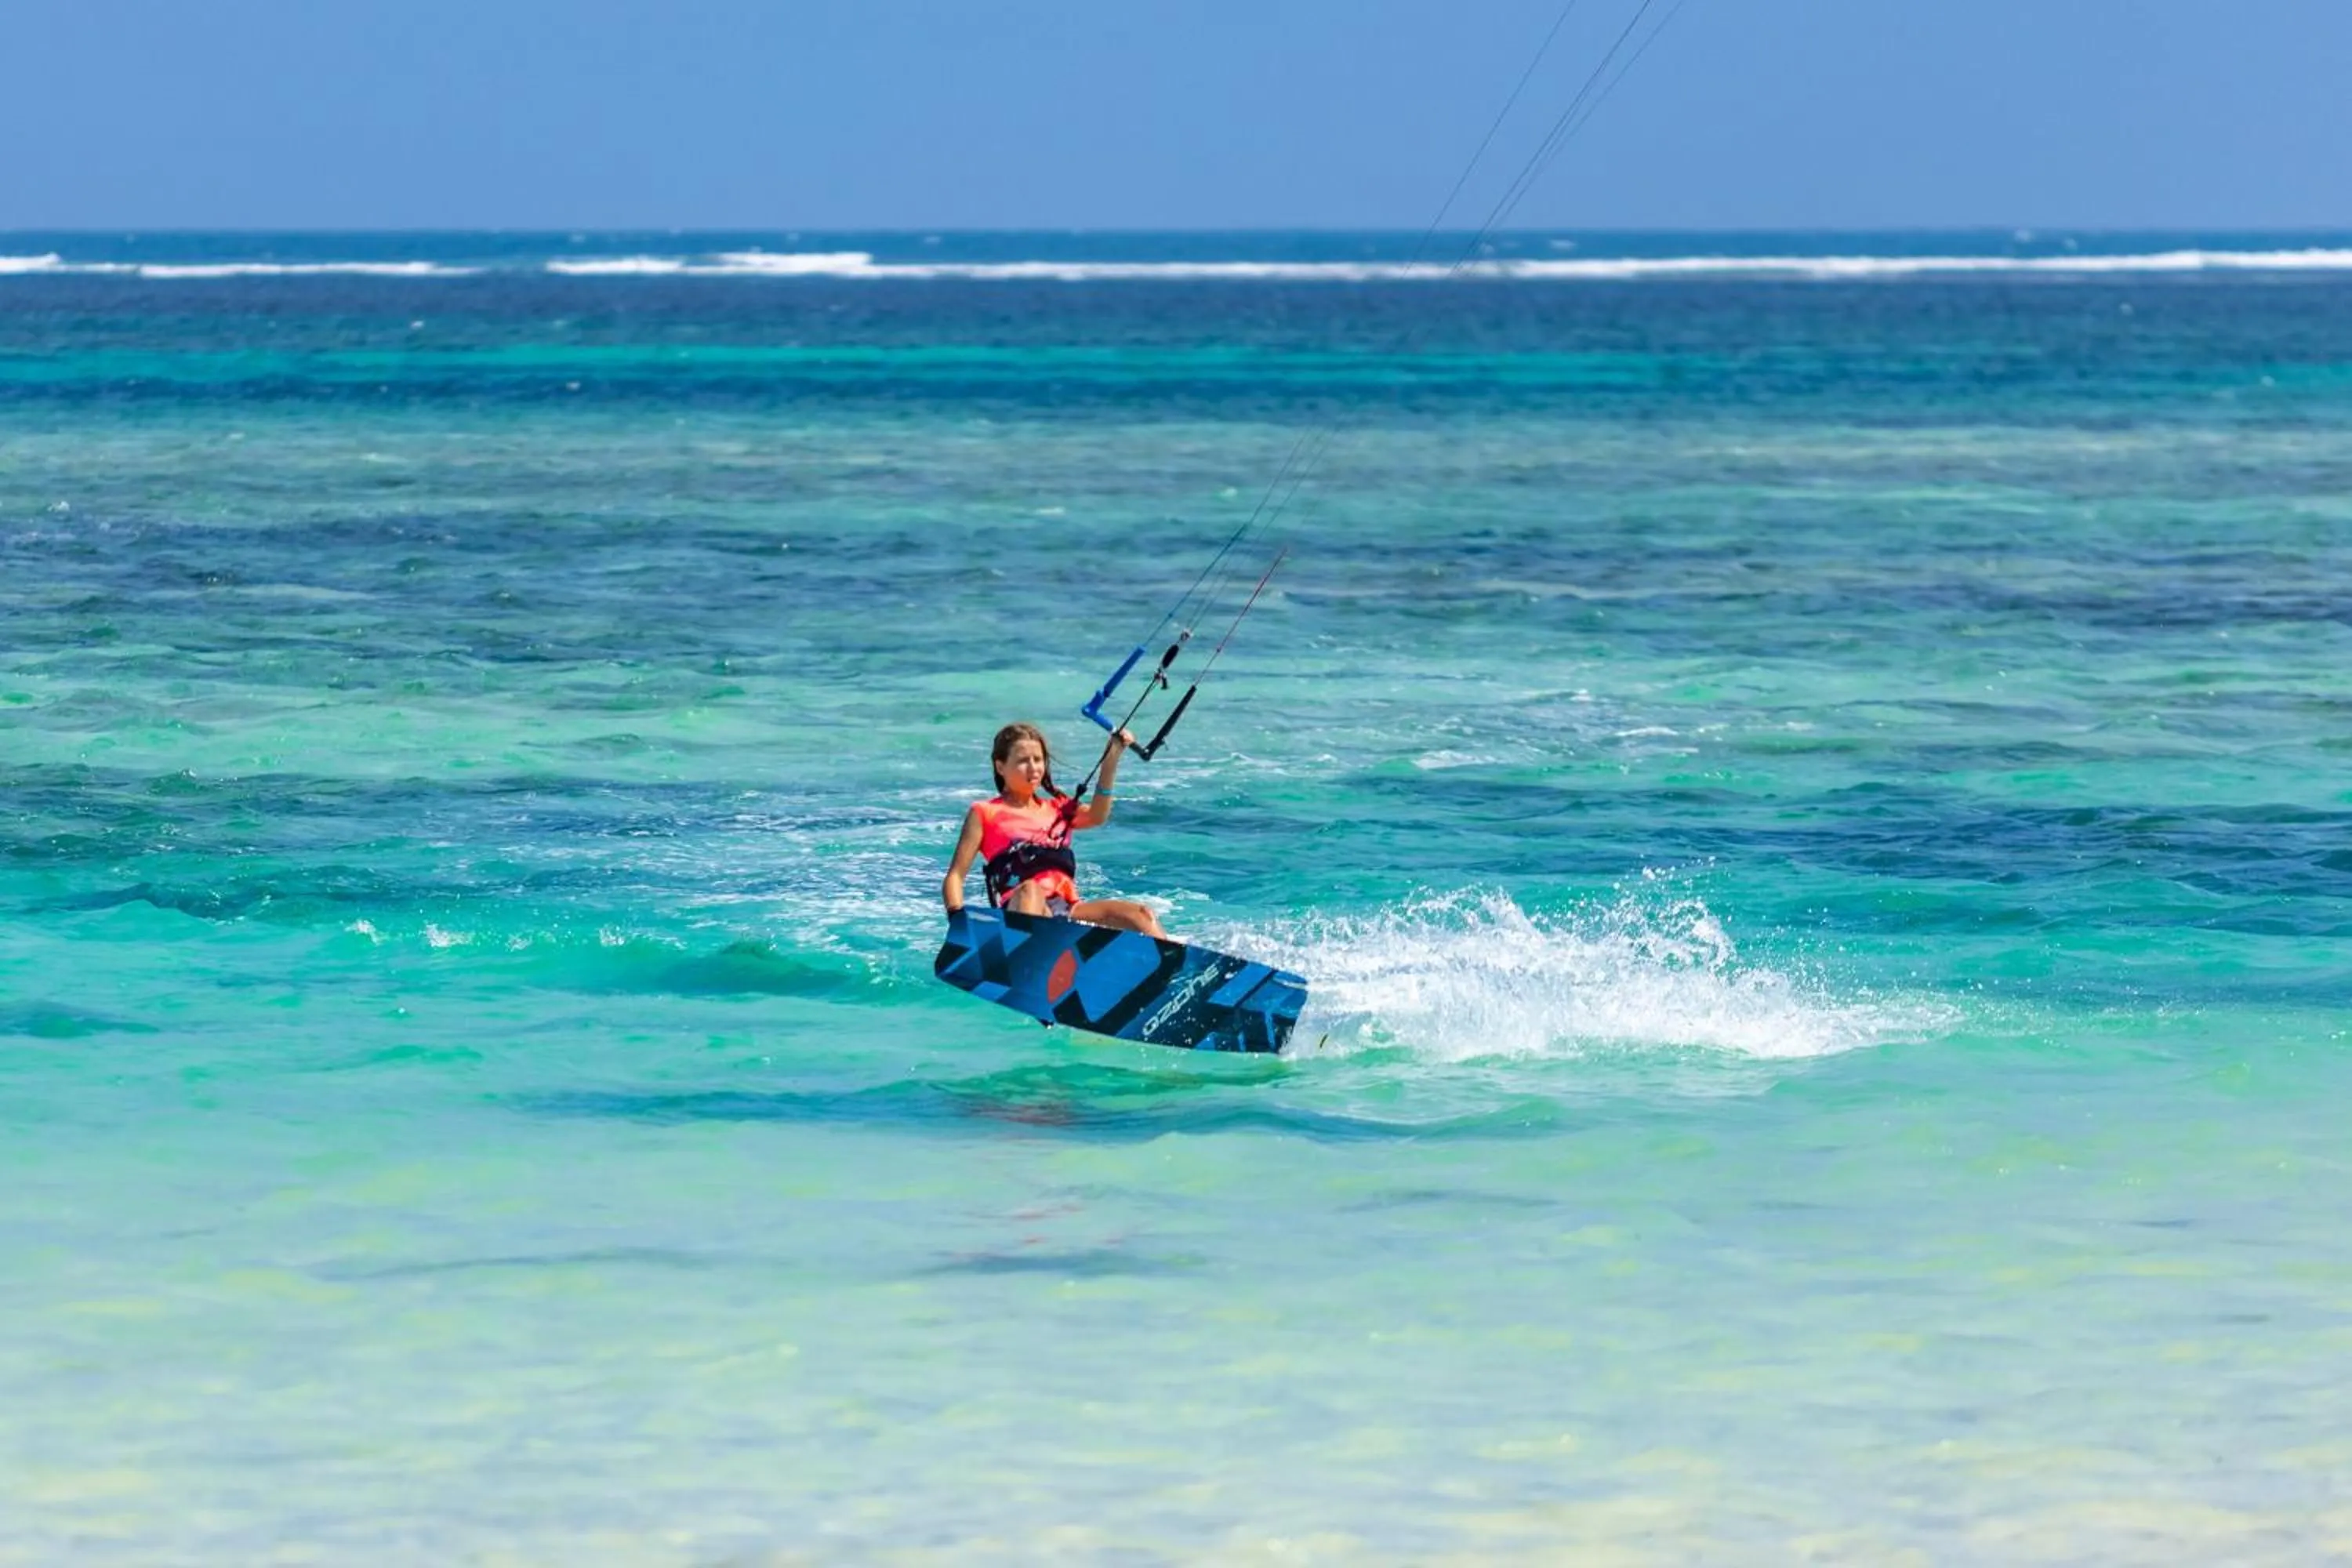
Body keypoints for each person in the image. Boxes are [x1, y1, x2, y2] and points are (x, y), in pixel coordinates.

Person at [942, 721, 1168, 938]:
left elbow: (1097, 815)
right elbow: (955, 876)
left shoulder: (1059, 809)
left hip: (1068, 911)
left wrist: (1111, 758)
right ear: (1000, 767)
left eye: (1038, 760)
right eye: (1023, 761)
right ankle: (1026, 953)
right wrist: (957, 918)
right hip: (1022, 909)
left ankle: (1174, 968)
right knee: (1030, 890)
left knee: (1140, 914)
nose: (1034, 768)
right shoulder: (984, 812)